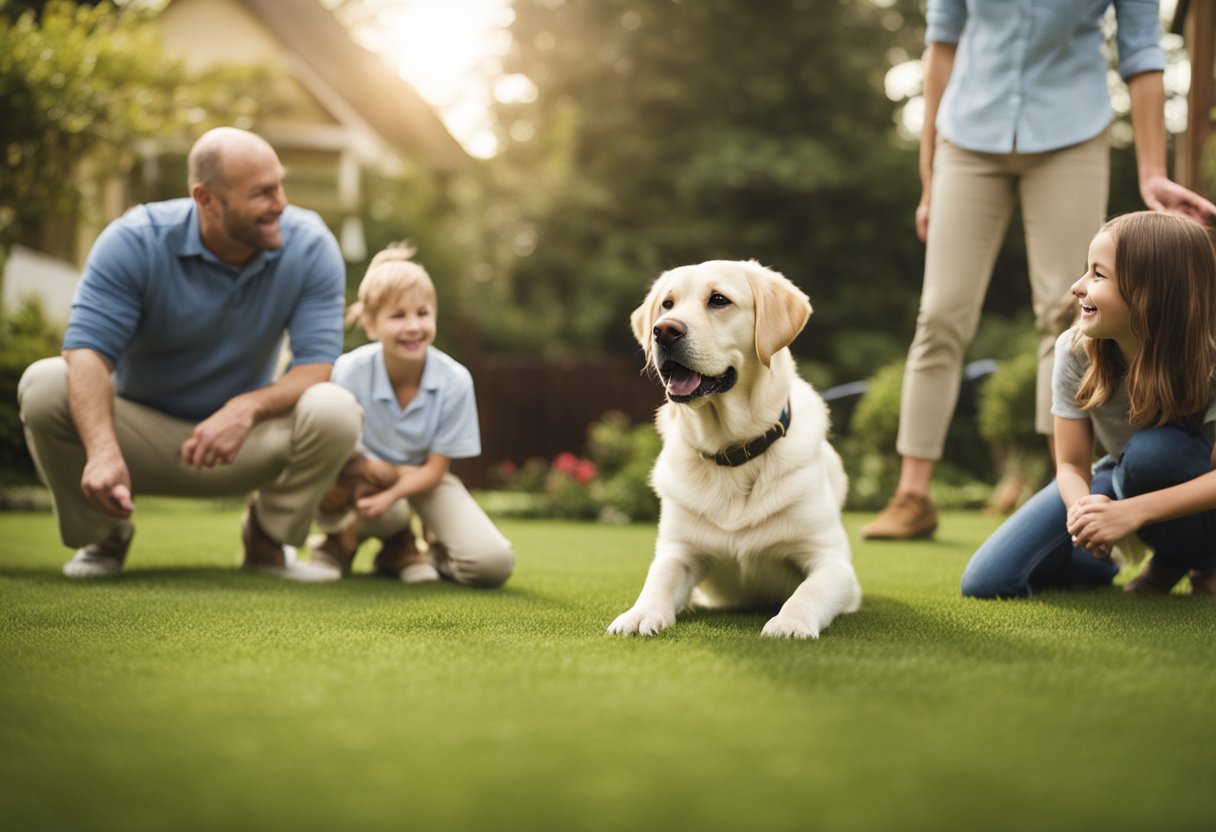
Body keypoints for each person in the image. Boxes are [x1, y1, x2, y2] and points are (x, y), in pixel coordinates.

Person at [861, 0, 1216, 540]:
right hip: (967, 134)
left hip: (1071, 131)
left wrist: (1152, 173)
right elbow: (942, 42)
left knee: (1066, 313)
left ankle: (1054, 488)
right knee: (939, 313)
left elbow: (1143, 47)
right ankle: (912, 494)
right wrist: (929, 175)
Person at [18, 127, 361, 581]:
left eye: (280, 184)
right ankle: (104, 535)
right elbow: (87, 353)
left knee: (335, 408)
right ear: (207, 199)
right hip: (139, 439)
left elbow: (316, 367)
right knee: (44, 385)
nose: (280, 203)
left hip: (244, 443)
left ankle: (267, 540)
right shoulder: (134, 240)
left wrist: (245, 409)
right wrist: (101, 451)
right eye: (262, 192)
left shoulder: (311, 244)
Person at [960, 211, 1216, 599]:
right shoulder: (1075, 349)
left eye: (1098, 275)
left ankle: (1187, 562)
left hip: (1187, 483)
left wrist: (1133, 512)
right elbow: (1070, 466)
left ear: (1151, 292)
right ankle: (1099, 565)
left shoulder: (1208, 356)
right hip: (1116, 472)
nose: (1078, 287)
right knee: (988, 582)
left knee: (1153, 453)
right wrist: (1085, 514)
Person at [308, 244, 515, 588]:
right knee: (368, 499)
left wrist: (393, 493)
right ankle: (346, 542)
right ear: (371, 325)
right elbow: (344, 456)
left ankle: (426, 550)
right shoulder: (350, 370)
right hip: (361, 479)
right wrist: (379, 485)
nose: (413, 326)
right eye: (398, 316)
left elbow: (436, 469)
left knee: (492, 565)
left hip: (422, 480)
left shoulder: (455, 379)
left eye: (422, 313)